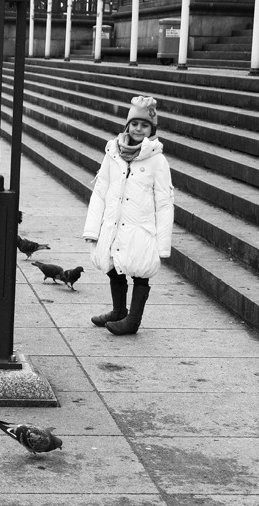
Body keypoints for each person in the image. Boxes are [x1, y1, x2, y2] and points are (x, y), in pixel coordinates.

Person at [82, 96, 175, 335]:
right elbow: (100, 190)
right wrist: (93, 229)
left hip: (141, 227)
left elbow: (165, 203)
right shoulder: (113, 153)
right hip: (113, 224)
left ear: (152, 130)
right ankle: (118, 310)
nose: (138, 129)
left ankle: (133, 320)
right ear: (127, 125)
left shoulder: (157, 160)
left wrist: (162, 245)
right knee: (113, 265)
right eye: (135, 124)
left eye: (144, 125)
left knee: (140, 272)